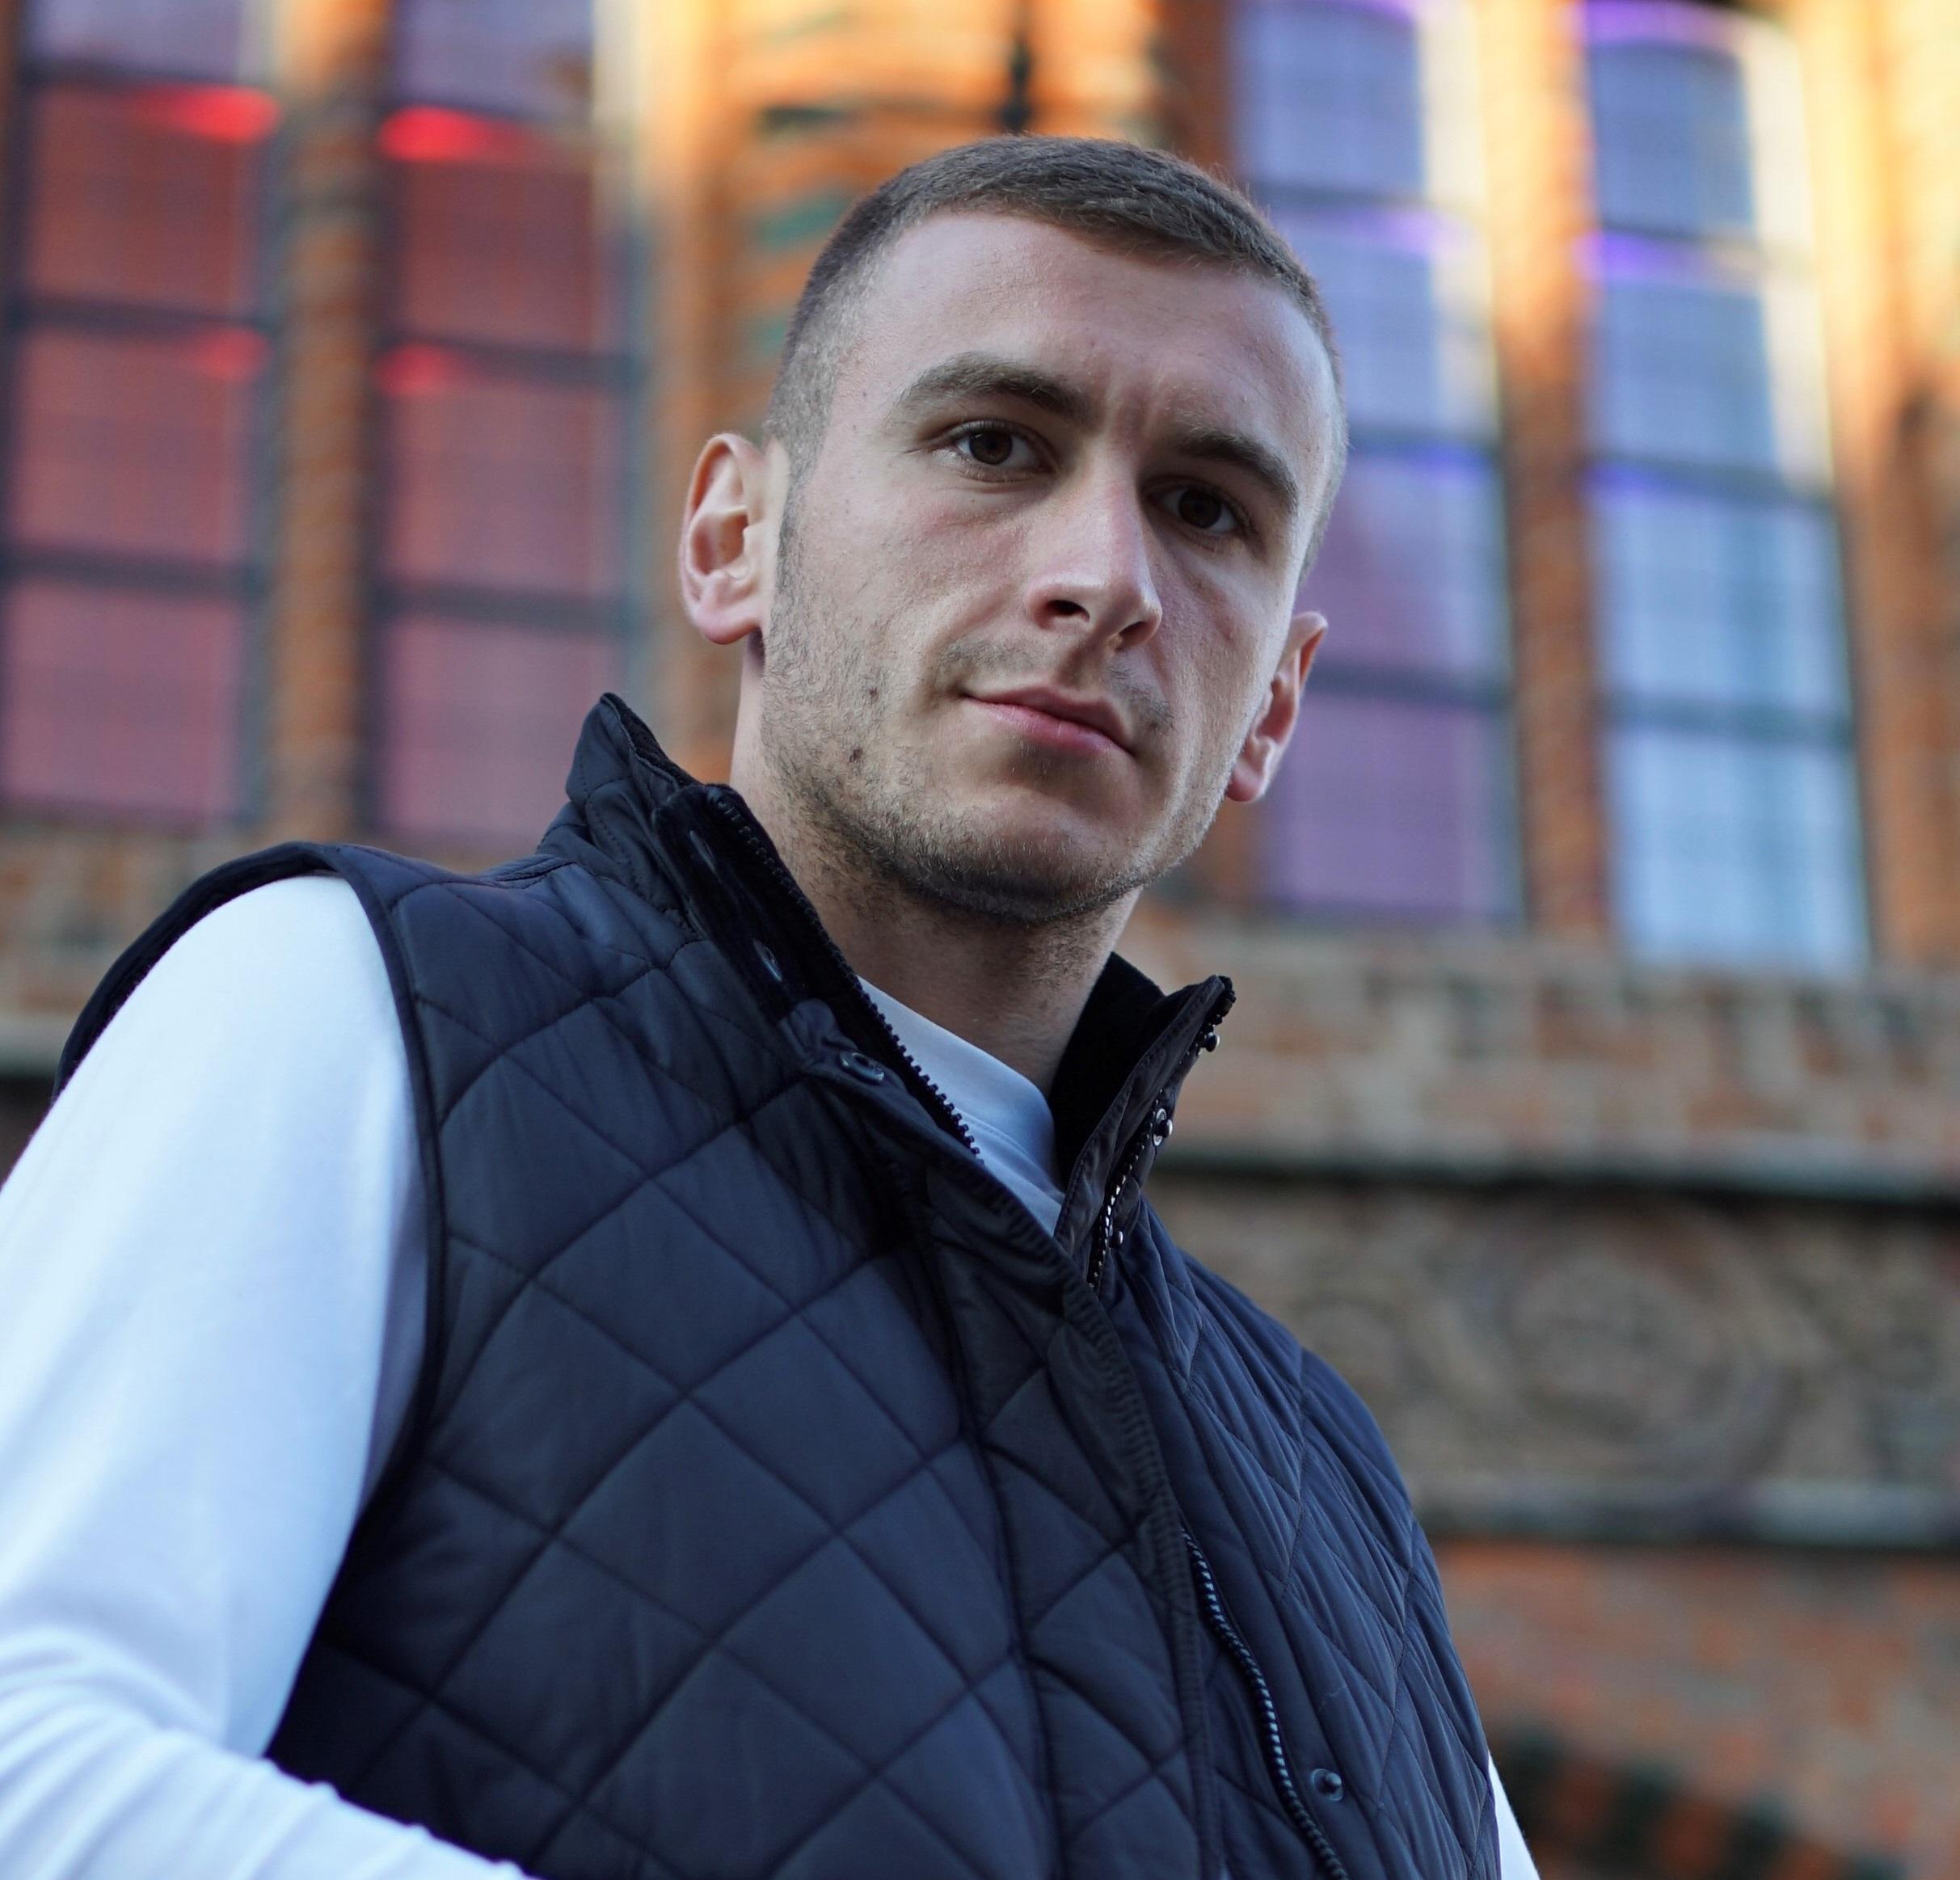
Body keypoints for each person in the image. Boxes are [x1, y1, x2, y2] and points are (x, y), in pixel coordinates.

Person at [0, 137, 1537, 1879]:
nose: (1106, 572)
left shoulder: (1327, 1477)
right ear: (737, 537)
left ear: (1273, 704)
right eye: (993, 444)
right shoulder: (356, 1009)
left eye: (1205, 509)